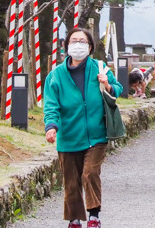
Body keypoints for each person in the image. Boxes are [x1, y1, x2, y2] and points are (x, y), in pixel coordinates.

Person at [44, 27, 123, 228]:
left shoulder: (100, 67)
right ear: (67, 45)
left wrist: (108, 85)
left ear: (90, 47)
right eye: (74, 41)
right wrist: (51, 127)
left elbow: (118, 89)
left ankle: (94, 215)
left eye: (83, 41)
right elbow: (51, 105)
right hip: (69, 136)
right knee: (71, 181)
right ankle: (74, 219)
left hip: (96, 135)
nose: (78, 45)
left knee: (89, 173)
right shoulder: (56, 75)